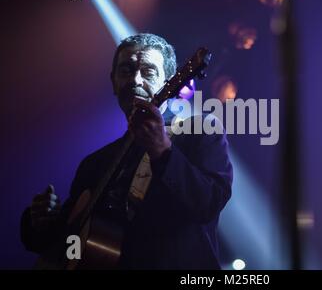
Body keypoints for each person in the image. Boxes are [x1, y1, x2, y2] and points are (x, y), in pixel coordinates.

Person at [20, 33, 233, 269]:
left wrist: (162, 151)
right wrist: (43, 222)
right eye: (126, 70)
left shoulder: (200, 131)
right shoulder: (94, 163)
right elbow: (66, 244)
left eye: (148, 72)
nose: (135, 80)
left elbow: (209, 203)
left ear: (170, 82)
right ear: (113, 82)